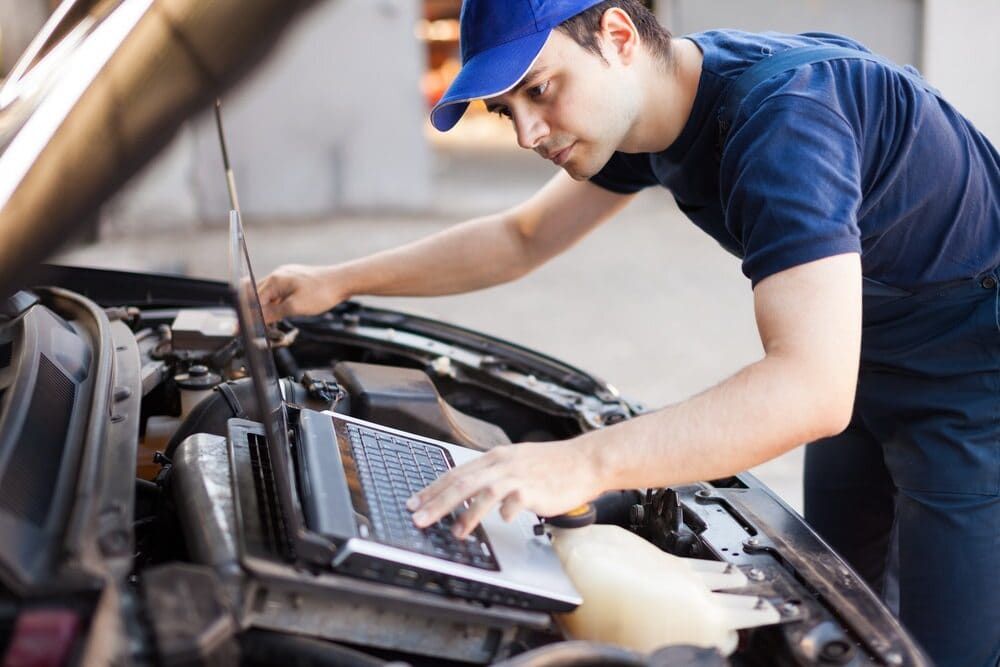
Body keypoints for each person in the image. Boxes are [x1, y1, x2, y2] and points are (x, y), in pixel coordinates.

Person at [258, 1, 1000, 664]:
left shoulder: (783, 123)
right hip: (863, 348)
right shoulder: (654, 108)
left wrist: (582, 463)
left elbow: (809, 387)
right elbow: (521, 236)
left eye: (540, 89)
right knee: (842, 612)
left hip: (972, 378)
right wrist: (341, 278)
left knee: (939, 647)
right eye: (504, 109)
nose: (526, 132)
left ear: (616, 34)